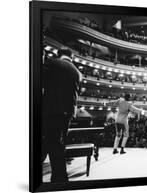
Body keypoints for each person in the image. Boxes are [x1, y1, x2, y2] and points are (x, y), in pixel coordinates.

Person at [42, 48, 82, 182]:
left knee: (52, 143)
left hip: (52, 109)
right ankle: (58, 176)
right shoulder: (77, 72)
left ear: (59, 55)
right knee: (58, 143)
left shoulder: (53, 63)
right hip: (68, 112)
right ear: (72, 57)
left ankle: (60, 177)